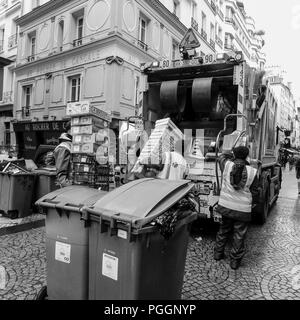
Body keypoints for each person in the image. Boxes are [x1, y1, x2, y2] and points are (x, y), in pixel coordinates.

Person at [214, 146, 260, 270]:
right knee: (239, 235)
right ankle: (234, 262)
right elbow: (255, 192)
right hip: (243, 210)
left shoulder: (227, 165)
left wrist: (229, 152)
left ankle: (218, 254)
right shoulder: (252, 171)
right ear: (246, 156)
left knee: (223, 230)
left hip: (226, 206)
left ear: (234, 155)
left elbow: (221, 157)